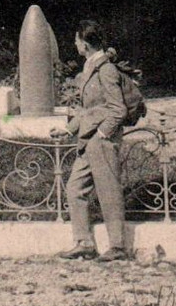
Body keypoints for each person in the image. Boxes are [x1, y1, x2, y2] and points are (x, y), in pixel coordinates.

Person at [50, 20, 129, 261]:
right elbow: (88, 109)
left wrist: (103, 134)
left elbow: (118, 109)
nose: (75, 44)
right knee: (75, 188)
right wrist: (68, 129)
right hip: (88, 139)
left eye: (76, 40)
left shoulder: (105, 69)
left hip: (101, 140)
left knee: (108, 190)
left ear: (84, 43)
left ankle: (117, 247)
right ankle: (84, 242)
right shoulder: (90, 67)